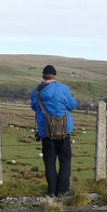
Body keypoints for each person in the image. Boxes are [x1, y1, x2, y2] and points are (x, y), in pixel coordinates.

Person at [30, 65, 78, 197]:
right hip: (63, 130)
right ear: (55, 76)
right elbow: (73, 105)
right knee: (65, 160)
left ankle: (51, 191)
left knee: (49, 162)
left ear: (43, 76)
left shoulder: (36, 92)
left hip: (45, 132)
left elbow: (34, 107)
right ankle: (63, 190)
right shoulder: (63, 89)